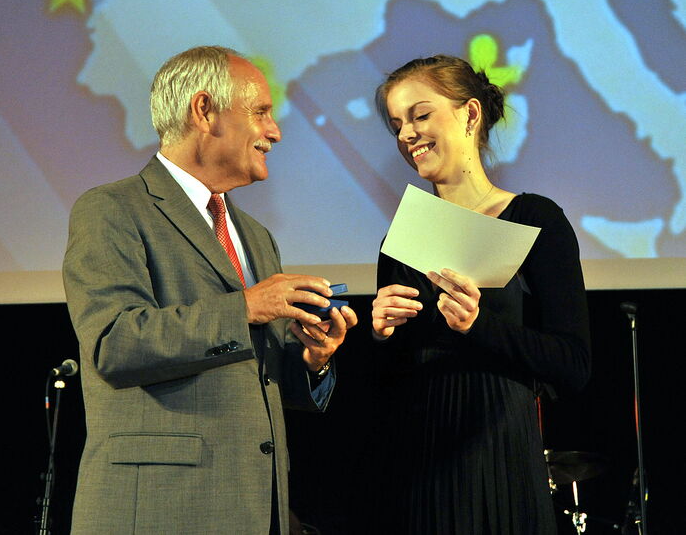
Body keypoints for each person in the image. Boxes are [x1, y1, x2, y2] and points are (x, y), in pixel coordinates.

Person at [62, 45, 357, 534]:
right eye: (261, 112)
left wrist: (312, 360)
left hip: (254, 508)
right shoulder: (112, 209)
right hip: (159, 510)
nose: (275, 132)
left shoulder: (256, 237)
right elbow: (114, 344)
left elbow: (256, 377)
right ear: (204, 111)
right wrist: (245, 307)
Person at [370, 55, 591, 534]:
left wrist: (478, 325)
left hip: (501, 459)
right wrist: (381, 335)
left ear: (470, 114)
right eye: (397, 125)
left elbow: (572, 364)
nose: (407, 134)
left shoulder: (534, 220)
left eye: (420, 115)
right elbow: (389, 381)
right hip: (420, 469)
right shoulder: (402, 238)